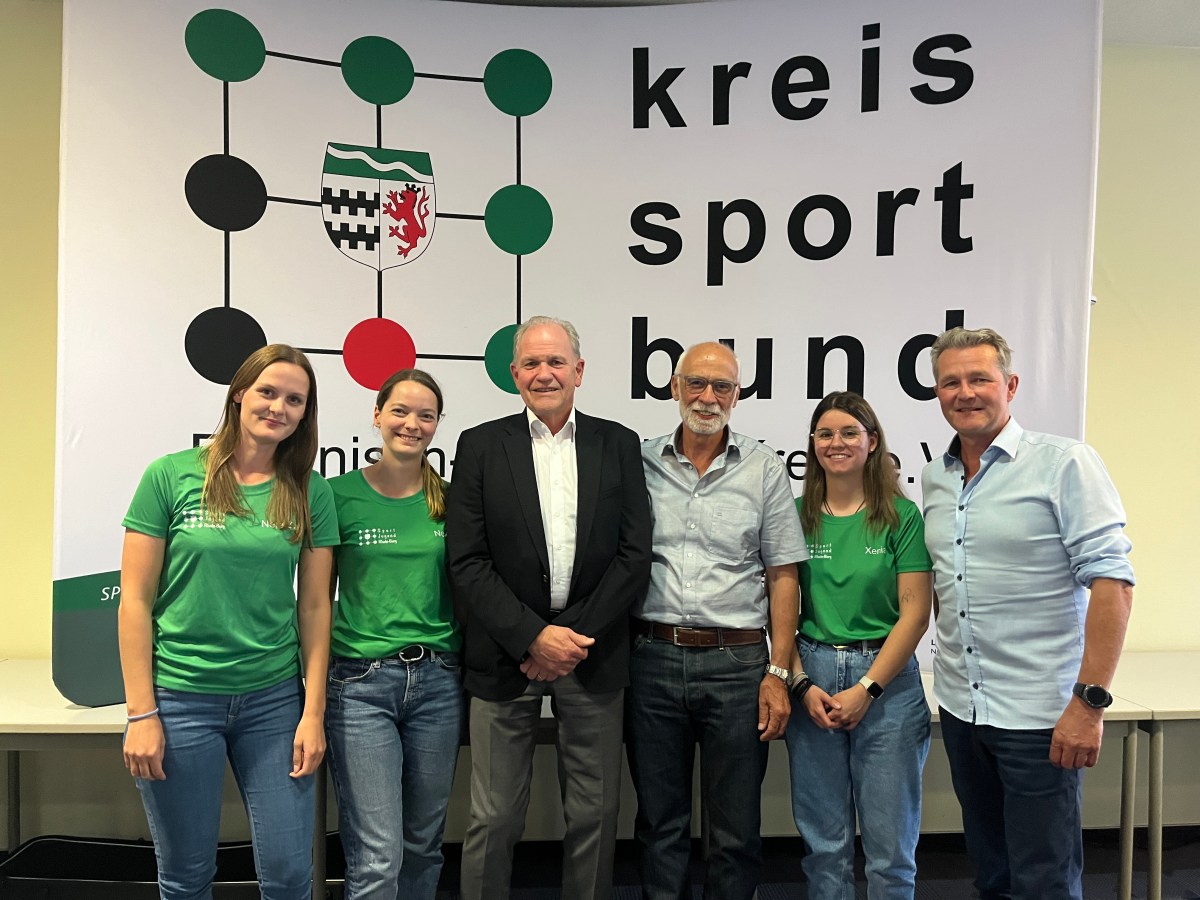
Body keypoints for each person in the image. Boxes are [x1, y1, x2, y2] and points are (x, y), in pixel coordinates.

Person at [922, 326, 1135, 900]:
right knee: (991, 874)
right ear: (937, 392)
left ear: (1010, 386)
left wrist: (1088, 704)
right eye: (950, 382)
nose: (965, 392)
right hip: (963, 711)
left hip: (1042, 718)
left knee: (1044, 881)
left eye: (980, 378)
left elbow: (1114, 584)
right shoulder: (937, 477)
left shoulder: (1064, 464)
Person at [118, 344, 337, 900]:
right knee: (187, 876)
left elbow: (315, 607)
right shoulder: (170, 476)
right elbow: (135, 601)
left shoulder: (311, 491)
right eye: (268, 392)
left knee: (290, 876)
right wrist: (142, 713)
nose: (278, 408)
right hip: (181, 698)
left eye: (295, 400)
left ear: (305, 414)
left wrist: (313, 713)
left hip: (273, 702)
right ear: (239, 394)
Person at [445, 315, 652, 900]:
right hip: (504, 653)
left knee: (595, 813)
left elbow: (633, 555)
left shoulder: (618, 443)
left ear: (578, 371)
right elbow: (468, 560)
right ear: (514, 374)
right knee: (493, 817)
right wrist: (533, 637)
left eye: (556, 362)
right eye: (532, 363)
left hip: (592, 653)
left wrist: (567, 639)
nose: (545, 374)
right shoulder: (480, 446)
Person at [629, 340, 807, 900]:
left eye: (722, 386)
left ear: (737, 395)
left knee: (735, 830)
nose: (708, 397)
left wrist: (778, 673)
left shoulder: (764, 468)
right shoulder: (638, 463)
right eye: (696, 383)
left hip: (738, 665)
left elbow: (783, 576)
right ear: (674, 387)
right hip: (652, 659)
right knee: (660, 823)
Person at [785, 391, 932, 900]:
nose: (837, 442)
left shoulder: (901, 517)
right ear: (812, 445)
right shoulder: (795, 515)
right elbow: (780, 610)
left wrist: (867, 688)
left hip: (886, 684)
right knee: (824, 847)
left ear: (872, 442)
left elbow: (915, 614)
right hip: (813, 680)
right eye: (825, 433)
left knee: (891, 851)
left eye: (850, 432)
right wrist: (799, 684)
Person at [324, 369, 462, 899]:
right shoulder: (337, 495)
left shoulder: (451, 500)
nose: (412, 424)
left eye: (426, 415)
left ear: (437, 424)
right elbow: (315, 599)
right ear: (377, 415)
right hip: (361, 685)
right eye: (400, 411)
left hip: (439, 682)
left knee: (424, 845)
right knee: (378, 854)